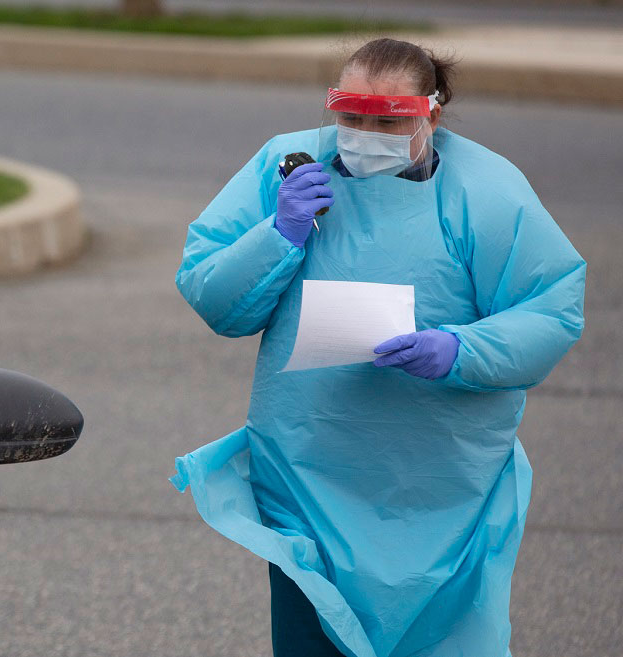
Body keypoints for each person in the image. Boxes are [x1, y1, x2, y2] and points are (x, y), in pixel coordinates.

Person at [170, 38, 585, 657]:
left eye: (388, 121)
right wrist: (277, 234)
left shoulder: (486, 192)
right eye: (351, 118)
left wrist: (461, 350)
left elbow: (552, 306)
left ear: (431, 115)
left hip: (444, 491)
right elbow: (213, 297)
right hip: (306, 475)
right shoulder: (286, 166)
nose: (365, 135)